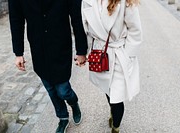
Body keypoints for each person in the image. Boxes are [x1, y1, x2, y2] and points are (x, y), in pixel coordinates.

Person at [8, 0, 88, 133]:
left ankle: (73, 102)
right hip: (38, 48)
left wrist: (81, 50)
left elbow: (77, 16)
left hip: (60, 45)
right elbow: (16, 20)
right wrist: (18, 53)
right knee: (51, 89)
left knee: (63, 90)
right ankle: (62, 118)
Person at [81, 0, 142, 132]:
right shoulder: (88, 1)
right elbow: (85, 27)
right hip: (99, 54)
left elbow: (135, 30)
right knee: (108, 90)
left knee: (117, 98)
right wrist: (86, 52)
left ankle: (116, 127)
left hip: (118, 54)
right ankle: (113, 113)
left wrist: (128, 56)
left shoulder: (124, 2)